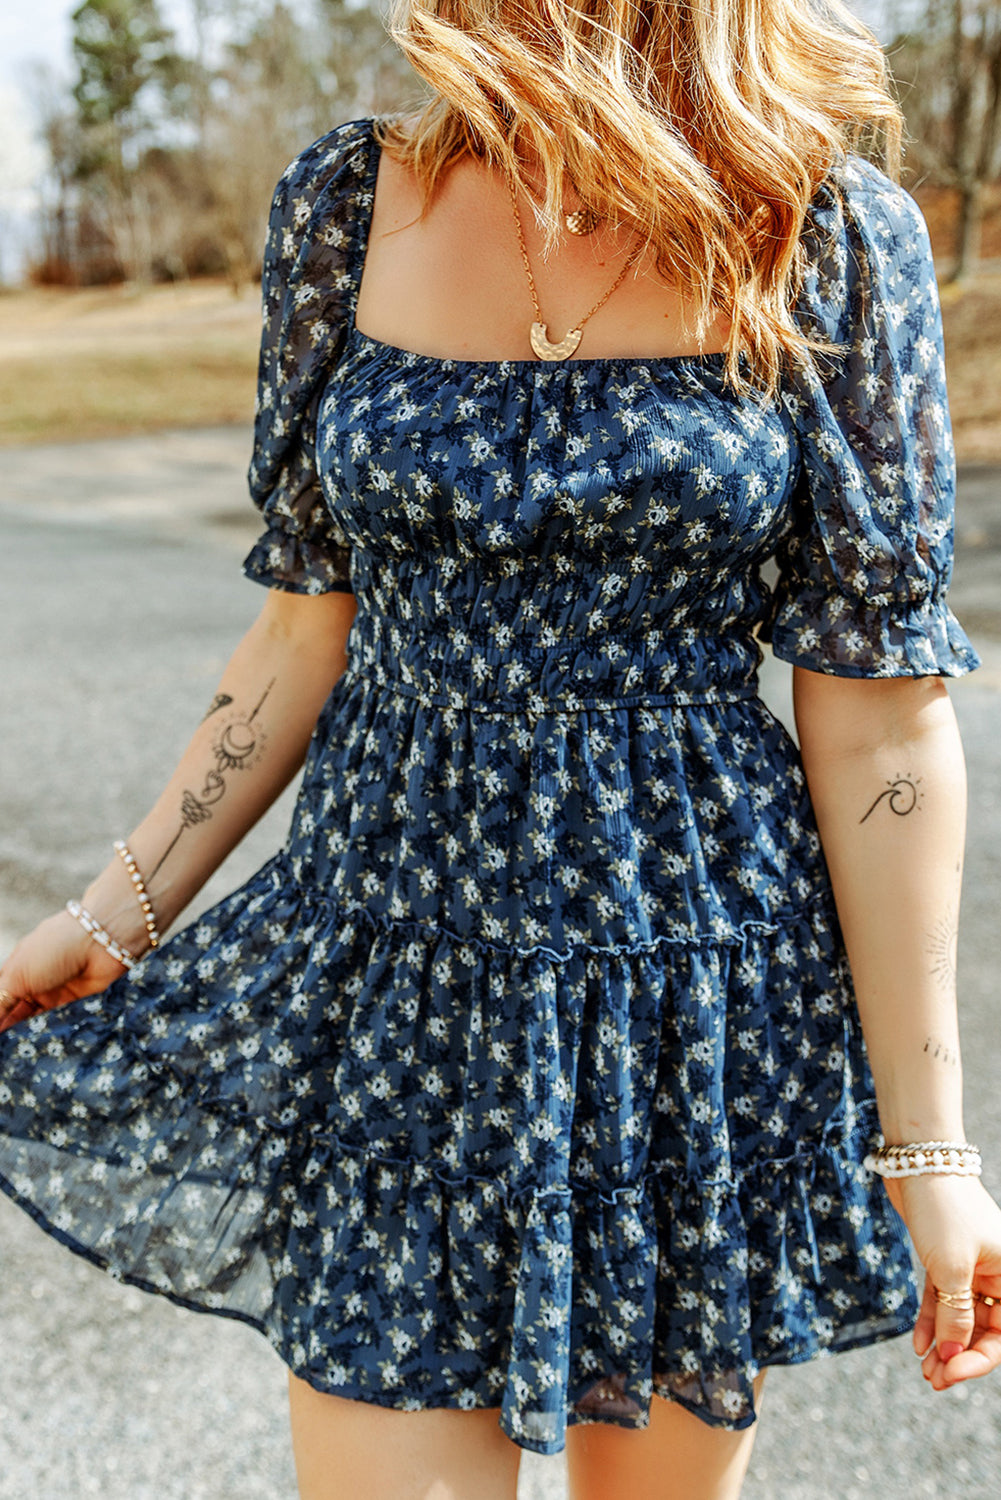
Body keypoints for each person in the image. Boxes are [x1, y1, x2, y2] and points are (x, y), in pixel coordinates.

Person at [1, 0, 1000, 1496]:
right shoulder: (351, 200)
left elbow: (876, 724)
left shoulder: (825, 230)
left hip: (684, 1002)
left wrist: (930, 1156)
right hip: (396, 978)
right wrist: (116, 911)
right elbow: (297, 637)